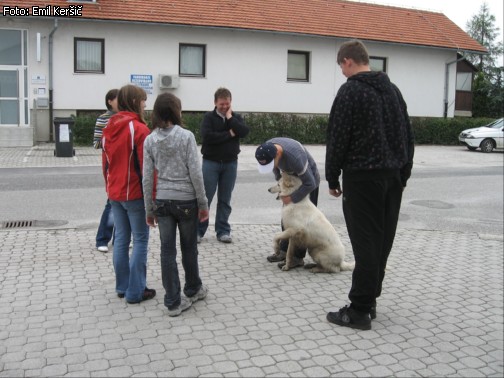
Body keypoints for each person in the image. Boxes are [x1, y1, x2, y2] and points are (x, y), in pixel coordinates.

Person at [325, 39, 414, 330]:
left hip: (362, 179)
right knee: (382, 243)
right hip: (392, 179)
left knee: (366, 245)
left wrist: (332, 176)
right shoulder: (393, 91)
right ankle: (371, 299)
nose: (342, 72)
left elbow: (338, 136)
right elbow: (407, 136)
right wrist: (404, 173)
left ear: (348, 61)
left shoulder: (351, 91)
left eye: (341, 66)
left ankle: (360, 310)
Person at [143, 93, 210, 317]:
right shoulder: (186, 137)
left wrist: (149, 209)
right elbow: (196, 173)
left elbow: (147, 178)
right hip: (186, 201)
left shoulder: (150, 140)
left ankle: (172, 301)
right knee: (189, 248)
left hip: (162, 201)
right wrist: (203, 203)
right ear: (175, 110)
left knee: (166, 251)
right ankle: (193, 289)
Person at [102, 84, 156, 304]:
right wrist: (151, 199)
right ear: (135, 102)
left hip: (115, 193)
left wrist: (109, 188)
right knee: (141, 240)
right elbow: (148, 169)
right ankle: (135, 292)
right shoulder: (139, 130)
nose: (145, 104)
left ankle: (123, 287)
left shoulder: (109, 127)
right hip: (134, 194)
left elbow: (105, 165)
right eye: (143, 100)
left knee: (122, 240)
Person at [255, 137, 320, 269]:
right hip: (292, 181)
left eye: (271, 163)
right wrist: (280, 181)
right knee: (287, 218)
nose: (272, 166)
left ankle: (297, 258)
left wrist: (292, 198)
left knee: (301, 223)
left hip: (308, 182)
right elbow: (274, 167)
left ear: (277, 155)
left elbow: (310, 183)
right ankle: (283, 251)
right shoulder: (268, 149)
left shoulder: (295, 158)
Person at [198, 87, 249, 244]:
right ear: (215, 103)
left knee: (225, 199)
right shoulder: (208, 118)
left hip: (230, 164)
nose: (224, 107)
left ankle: (223, 231)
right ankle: (198, 231)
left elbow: (244, 131)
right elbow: (207, 137)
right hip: (211, 163)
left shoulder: (235, 117)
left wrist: (230, 118)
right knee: (205, 198)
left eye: (227, 104)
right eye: (221, 104)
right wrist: (229, 134)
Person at [93, 89, 118, 253]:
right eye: (117, 99)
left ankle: (120, 238)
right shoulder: (103, 119)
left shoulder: (126, 116)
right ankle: (102, 238)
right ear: (109, 101)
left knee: (124, 203)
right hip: (111, 163)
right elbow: (96, 143)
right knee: (112, 201)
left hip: (125, 163)